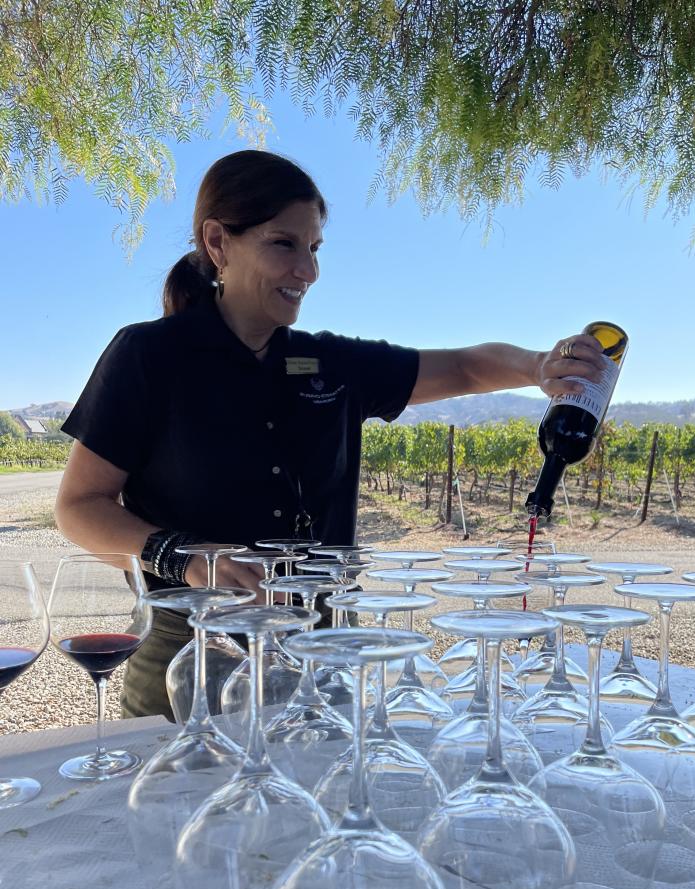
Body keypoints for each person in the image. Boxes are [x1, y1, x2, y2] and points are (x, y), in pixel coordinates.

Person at [55, 149, 608, 721]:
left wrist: (539, 365)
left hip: (321, 646)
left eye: (314, 248)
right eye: (284, 244)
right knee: (180, 782)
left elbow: (466, 367)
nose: (308, 271)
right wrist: (188, 559)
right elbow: (79, 507)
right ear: (218, 242)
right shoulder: (149, 356)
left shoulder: (330, 363)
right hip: (192, 650)